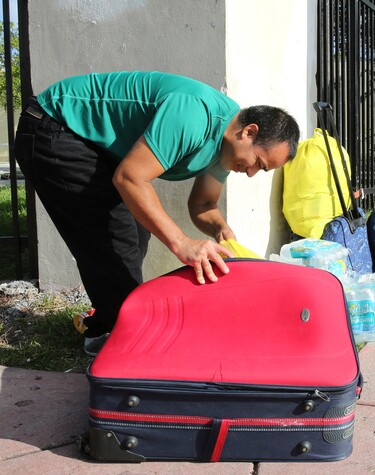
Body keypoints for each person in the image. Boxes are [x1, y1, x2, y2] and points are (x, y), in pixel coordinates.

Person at [13, 71, 301, 355]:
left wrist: (220, 231)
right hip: (54, 126)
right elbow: (130, 178)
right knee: (117, 238)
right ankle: (123, 343)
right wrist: (182, 243)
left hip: (88, 143)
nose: (251, 173)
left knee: (137, 234)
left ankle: (108, 326)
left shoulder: (227, 147)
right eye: (258, 164)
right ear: (248, 132)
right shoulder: (195, 116)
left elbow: (203, 205)